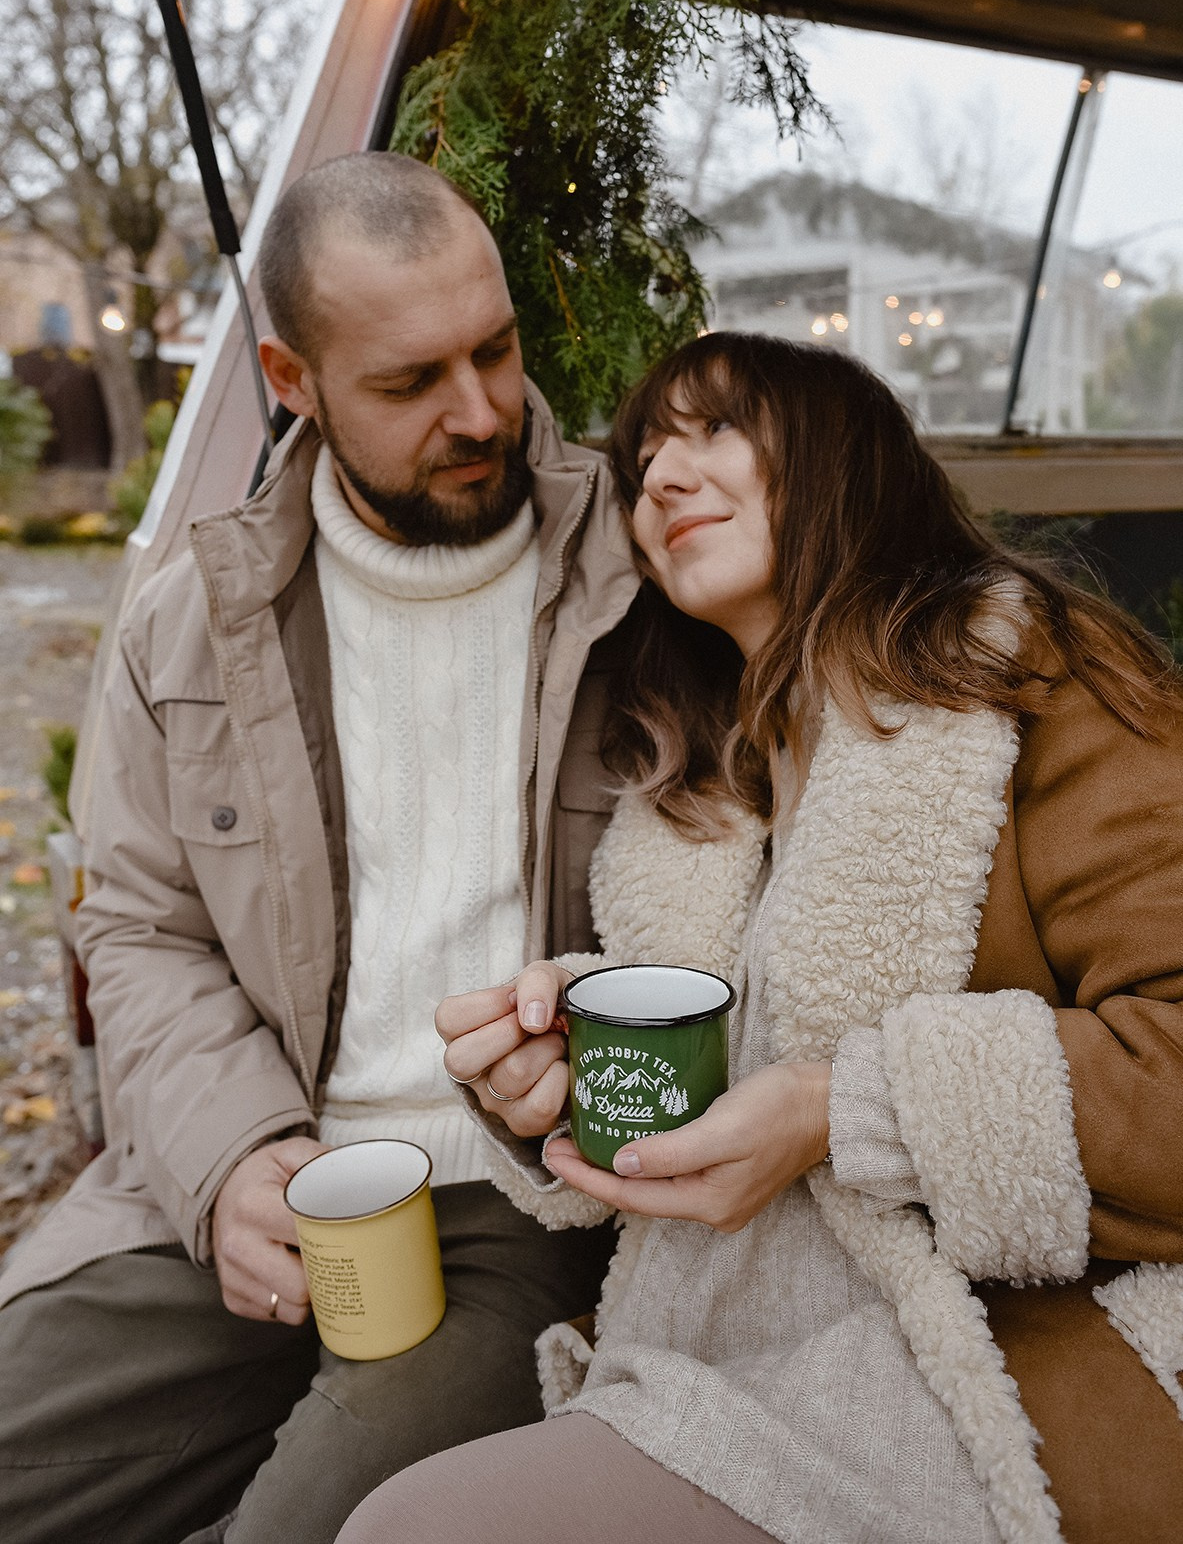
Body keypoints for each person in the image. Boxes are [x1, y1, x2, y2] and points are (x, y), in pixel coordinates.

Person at [340, 332, 1183, 1544]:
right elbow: (744, 1066)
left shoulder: (1025, 679)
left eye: (716, 428)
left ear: (840, 451)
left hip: (982, 1354)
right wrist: (570, 1067)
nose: (661, 477)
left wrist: (842, 1110)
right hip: (720, 1337)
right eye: (643, 459)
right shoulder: (704, 793)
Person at [0, 152, 638, 1544]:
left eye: (494, 350)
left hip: (521, 1204)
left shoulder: (641, 579)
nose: (481, 411)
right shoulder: (189, 614)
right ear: (291, 380)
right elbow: (139, 925)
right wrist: (227, 1157)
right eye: (411, 382)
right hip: (257, 1162)